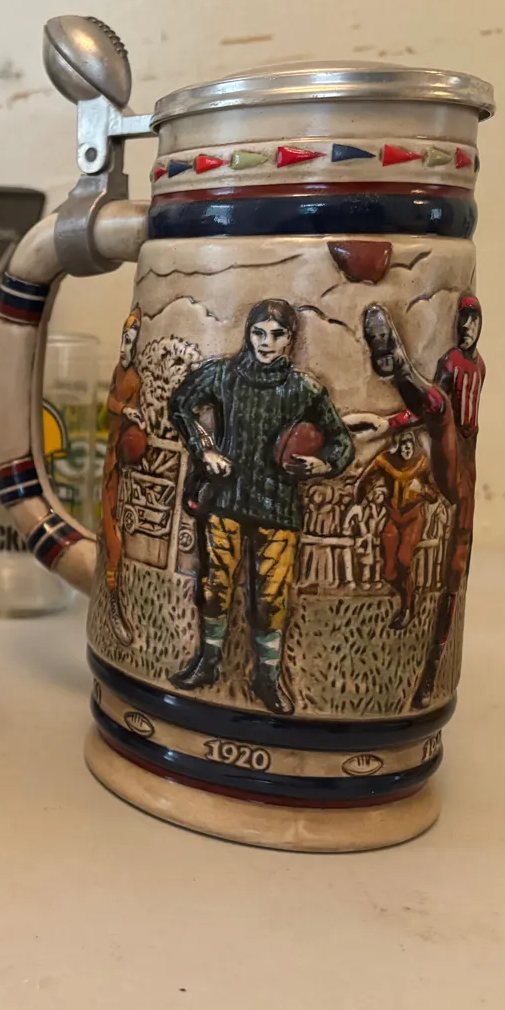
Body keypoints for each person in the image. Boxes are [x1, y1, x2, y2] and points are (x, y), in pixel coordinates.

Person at [167, 299, 355, 714]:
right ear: (248, 333)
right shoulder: (223, 375)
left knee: (271, 598)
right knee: (213, 587)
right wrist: (204, 449)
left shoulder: (304, 390)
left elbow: (341, 441)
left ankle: (267, 679)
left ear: (290, 339)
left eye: (276, 334)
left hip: (278, 508)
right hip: (226, 499)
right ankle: (208, 664)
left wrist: (323, 463)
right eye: (258, 332)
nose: (266, 342)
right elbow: (180, 403)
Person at [345, 297, 484, 709]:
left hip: (466, 456)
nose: (466, 329)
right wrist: (389, 424)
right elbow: (429, 409)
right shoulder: (450, 362)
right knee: (439, 408)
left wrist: (391, 423)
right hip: (449, 445)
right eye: (463, 321)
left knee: (456, 571)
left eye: (473, 322)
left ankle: (432, 675)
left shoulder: (478, 367)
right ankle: (399, 369)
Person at [357, 429, 437, 629]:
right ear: (398, 446)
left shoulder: (422, 462)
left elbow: (435, 494)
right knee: (389, 572)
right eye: (403, 445)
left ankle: (407, 607)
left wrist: (423, 489)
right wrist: (358, 499)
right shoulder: (387, 461)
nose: (407, 449)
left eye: (410, 445)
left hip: (412, 518)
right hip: (393, 517)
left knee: (404, 560)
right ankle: (407, 594)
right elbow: (366, 479)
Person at [99, 309, 144, 644]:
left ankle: (119, 602)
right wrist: (124, 410)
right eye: (124, 340)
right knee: (110, 534)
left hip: (128, 461)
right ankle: (113, 603)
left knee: (120, 536)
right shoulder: (119, 371)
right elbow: (110, 403)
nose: (125, 346)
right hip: (113, 465)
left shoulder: (136, 379)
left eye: (131, 341)